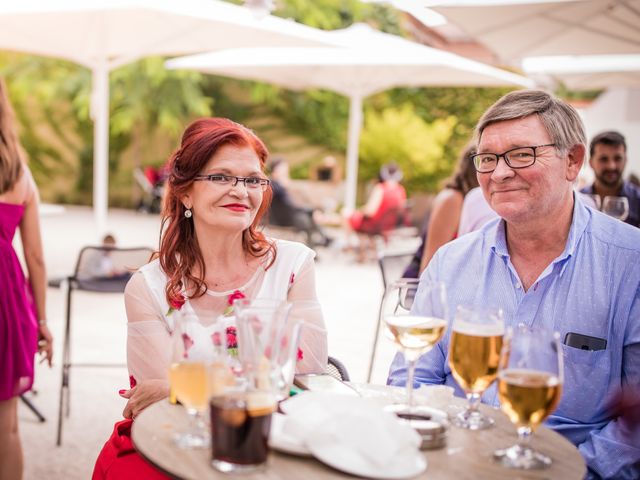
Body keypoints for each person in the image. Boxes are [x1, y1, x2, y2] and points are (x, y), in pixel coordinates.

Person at [388, 90, 640, 479]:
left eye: (522, 154)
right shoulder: (451, 263)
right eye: (487, 158)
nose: (500, 173)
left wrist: (575, 472)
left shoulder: (629, 262)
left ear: (572, 161)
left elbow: (633, 425)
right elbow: (412, 378)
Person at [93, 118, 328, 479]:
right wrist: (253, 384)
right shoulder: (148, 288)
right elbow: (159, 410)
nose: (240, 190)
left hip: (275, 442)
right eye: (220, 177)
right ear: (185, 192)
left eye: (252, 179)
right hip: (177, 447)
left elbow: (309, 378)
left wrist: (185, 386)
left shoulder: (293, 265)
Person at [0, 78, 53, 480]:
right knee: (8, 427)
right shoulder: (19, 170)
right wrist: (43, 321)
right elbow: (36, 258)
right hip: (7, 298)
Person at [403, 144, 482, 278]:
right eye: (488, 159)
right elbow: (429, 265)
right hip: (420, 287)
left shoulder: (478, 203)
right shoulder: (452, 199)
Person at [346, 163, 407, 262]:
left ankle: (356, 251)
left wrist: (360, 210)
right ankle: (372, 252)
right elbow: (401, 211)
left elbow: (370, 212)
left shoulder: (381, 188)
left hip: (375, 225)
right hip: (390, 226)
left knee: (349, 216)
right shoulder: (400, 190)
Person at [580, 131, 640, 227]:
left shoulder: (637, 199)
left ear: (626, 160)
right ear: (591, 162)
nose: (611, 166)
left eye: (617, 158)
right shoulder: (579, 200)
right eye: (603, 159)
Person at [268, 158, 332, 248]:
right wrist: (310, 210)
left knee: (307, 217)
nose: (286, 170)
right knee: (306, 218)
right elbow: (289, 204)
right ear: (275, 169)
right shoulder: (273, 184)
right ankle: (321, 240)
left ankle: (319, 241)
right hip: (281, 218)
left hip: (291, 215)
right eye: (283, 168)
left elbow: (294, 202)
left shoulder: (282, 184)